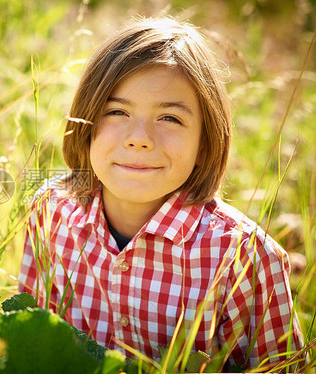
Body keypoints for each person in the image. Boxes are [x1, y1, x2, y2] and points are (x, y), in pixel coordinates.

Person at [18, 17, 304, 370]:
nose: (139, 138)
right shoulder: (51, 211)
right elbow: (28, 341)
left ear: (205, 142)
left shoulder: (245, 257)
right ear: (86, 123)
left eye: (169, 118)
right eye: (117, 111)